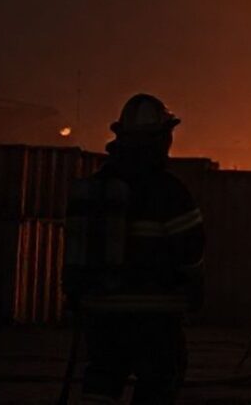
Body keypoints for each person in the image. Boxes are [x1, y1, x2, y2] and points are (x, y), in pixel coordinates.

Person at [63, 93, 204, 405]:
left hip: (100, 312)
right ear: (161, 139)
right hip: (154, 316)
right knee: (159, 380)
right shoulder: (167, 190)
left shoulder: (95, 187)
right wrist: (193, 288)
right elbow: (192, 250)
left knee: (102, 380)